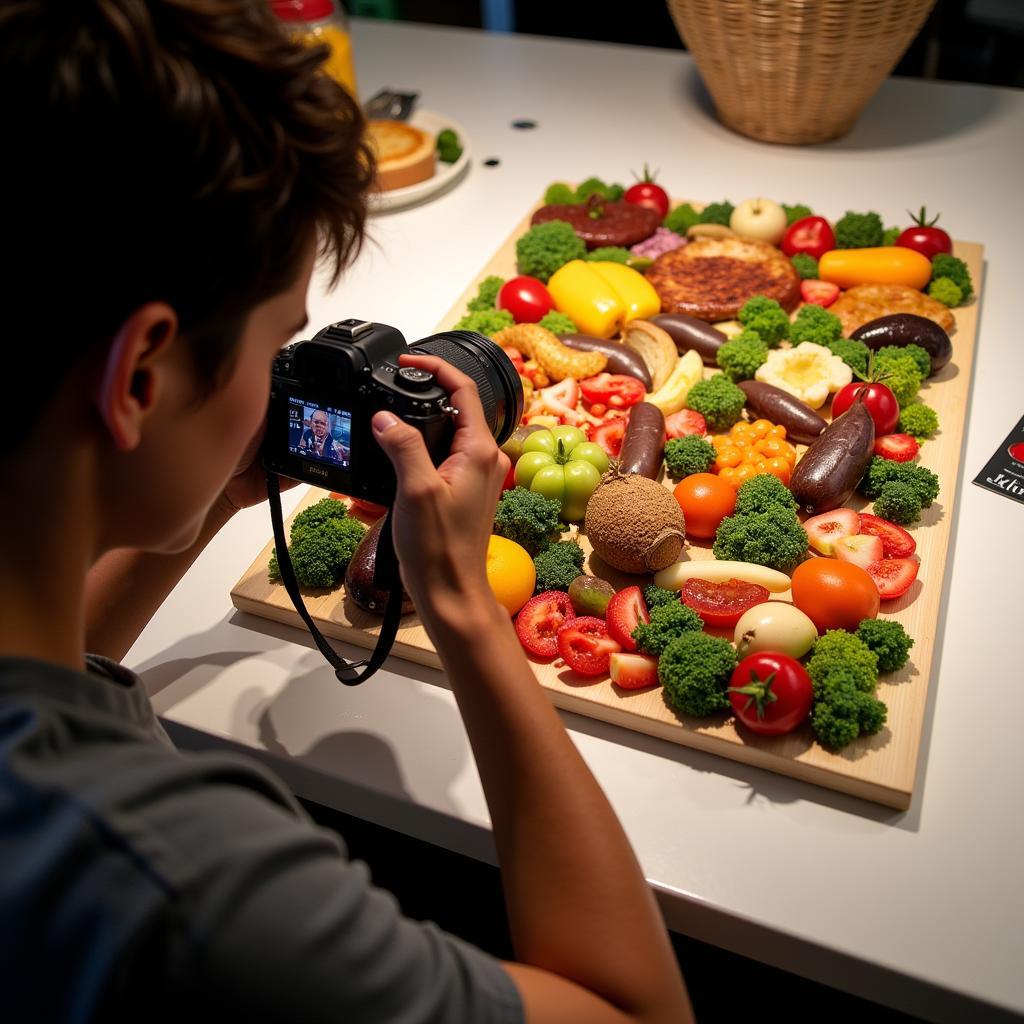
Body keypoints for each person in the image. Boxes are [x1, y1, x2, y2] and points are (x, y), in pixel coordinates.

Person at [0, 2, 692, 1022]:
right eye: (281, 341)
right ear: (142, 372)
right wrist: (458, 600)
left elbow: (45, 674)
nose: (278, 392)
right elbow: (637, 1011)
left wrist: (188, 509)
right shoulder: (192, 883)